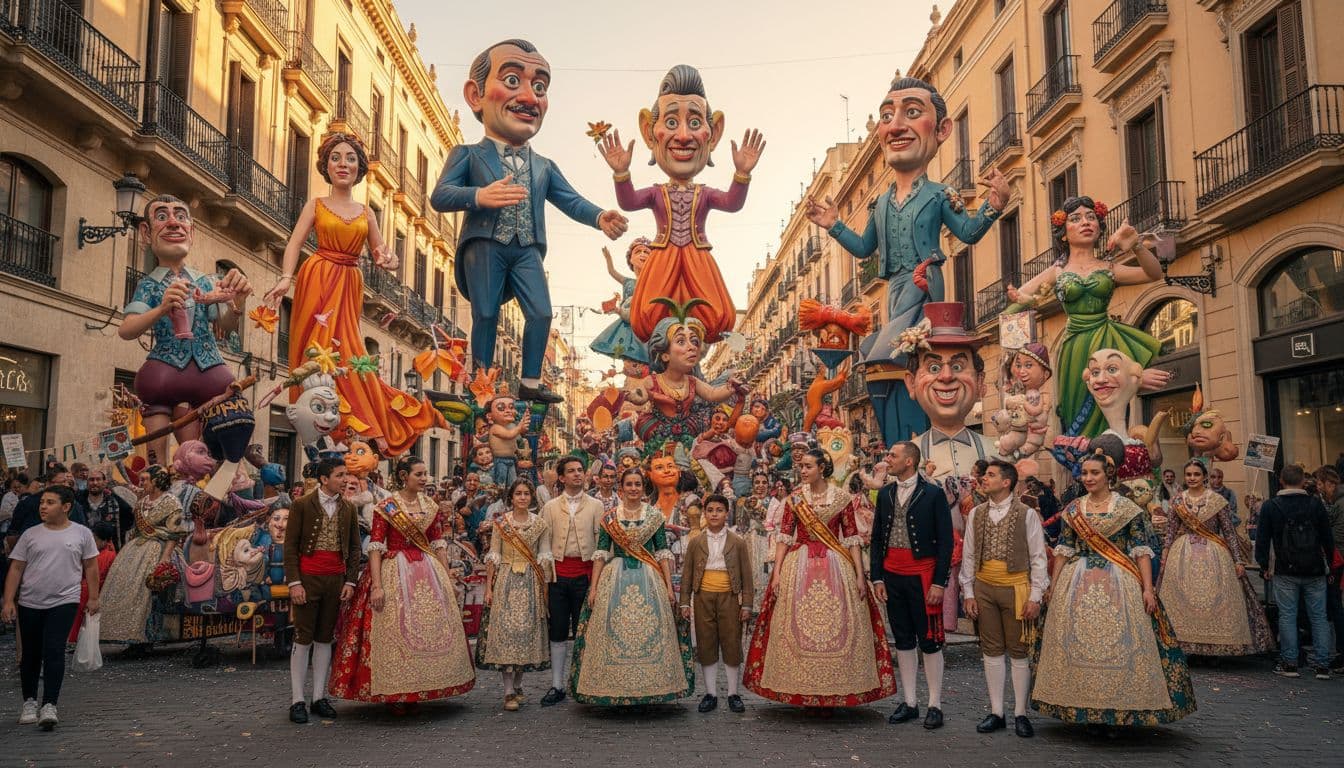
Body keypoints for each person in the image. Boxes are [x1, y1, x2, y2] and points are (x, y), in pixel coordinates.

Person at [807, 76, 1008, 446]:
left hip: (925, 281)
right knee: (889, 363)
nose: (897, 124)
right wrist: (833, 225)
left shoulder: (939, 195)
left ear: (942, 129)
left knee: (906, 357)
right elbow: (865, 246)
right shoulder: (880, 202)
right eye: (888, 115)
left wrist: (994, 208)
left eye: (912, 113)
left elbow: (967, 232)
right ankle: (899, 441)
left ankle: (920, 432)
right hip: (895, 289)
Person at [432, 38, 627, 402]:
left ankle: (531, 382)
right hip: (485, 245)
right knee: (486, 313)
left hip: (526, 249)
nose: (530, 96)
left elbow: (570, 200)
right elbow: (441, 195)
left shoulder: (544, 167)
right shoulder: (467, 154)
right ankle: (481, 381)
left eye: (539, 87)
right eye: (511, 81)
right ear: (475, 95)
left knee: (541, 312)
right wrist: (478, 196)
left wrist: (600, 216)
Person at [263, 134, 443, 456]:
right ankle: (316, 418)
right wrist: (285, 278)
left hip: (348, 282)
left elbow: (381, 253)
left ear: (359, 167)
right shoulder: (315, 206)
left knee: (348, 349)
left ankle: (354, 421)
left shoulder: (366, 214)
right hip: (317, 277)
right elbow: (293, 244)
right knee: (316, 351)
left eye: (350, 158)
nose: (342, 163)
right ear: (326, 165)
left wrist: (391, 260)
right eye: (336, 157)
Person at [599, 64, 764, 344]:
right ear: (650, 133)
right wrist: (621, 174)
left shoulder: (705, 193)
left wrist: (743, 174)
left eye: (696, 123)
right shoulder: (656, 193)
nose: (684, 136)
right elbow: (628, 201)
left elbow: (732, 203)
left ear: (713, 133)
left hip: (697, 259)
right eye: (672, 123)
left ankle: (691, 352)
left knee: (710, 314)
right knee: (651, 313)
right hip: (662, 259)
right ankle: (665, 351)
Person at [1031, 451, 1196, 728]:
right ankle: (1083, 706)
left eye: (1094, 473)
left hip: (1119, 582)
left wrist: (1147, 589)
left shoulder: (1127, 508)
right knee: (1078, 643)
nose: (1088, 478)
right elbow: (1064, 549)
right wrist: (1054, 585)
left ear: (1108, 475)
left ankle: (1119, 709)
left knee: (1121, 644)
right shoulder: (1073, 509)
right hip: (1078, 583)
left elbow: (1140, 551)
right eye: (1084, 474)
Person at [1006, 196, 1170, 442]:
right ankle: (1081, 463)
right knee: (1076, 404)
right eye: (1076, 218)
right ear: (1064, 233)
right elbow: (1015, 305)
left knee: (1111, 400)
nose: (1086, 222)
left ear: (1099, 228)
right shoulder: (1057, 272)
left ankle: (1111, 451)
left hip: (1106, 339)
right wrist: (1024, 302)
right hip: (1074, 347)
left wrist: (1136, 245)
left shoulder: (1109, 269)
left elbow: (1153, 273)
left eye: (1091, 217)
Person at [744, 449, 896, 707]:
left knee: (839, 625)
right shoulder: (794, 499)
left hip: (836, 566)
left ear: (822, 468)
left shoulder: (842, 498)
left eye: (808, 466)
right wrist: (778, 572)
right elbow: (784, 537)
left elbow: (851, 539)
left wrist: (860, 576)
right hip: (799, 565)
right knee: (797, 625)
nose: (803, 471)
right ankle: (802, 688)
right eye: (801, 467)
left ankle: (835, 690)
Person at [329, 456, 476, 711]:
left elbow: (438, 543)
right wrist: (376, 585)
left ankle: (424, 686)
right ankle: (396, 689)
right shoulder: (385, 507)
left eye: (425, 474)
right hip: (394, 569)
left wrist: (447, 575)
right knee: (395, 629)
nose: (424, 479)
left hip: (428, 571)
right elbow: (375, 546)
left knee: (428, 629)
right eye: (419, 474)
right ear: (403, 476)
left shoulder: (430, 506)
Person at [118, 195, 251, 463]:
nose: (173, 223)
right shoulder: (150, 285)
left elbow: (225, 325)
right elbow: (127, 329)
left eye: (180, 216)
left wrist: (238, 302)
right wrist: (162, 308)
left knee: (229, 420)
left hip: (209, 369)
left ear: (191, 231)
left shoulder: (207, 281)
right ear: (146, 232)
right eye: (162, 217)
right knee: (157, 459)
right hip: (165, 372)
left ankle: (223, 473)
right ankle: (156, 476)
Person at [569, 468, 694, 705]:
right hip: (615, 577)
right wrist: (594, 588)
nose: (634, 488)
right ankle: (614, 686)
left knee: (650, 630)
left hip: (649, 579)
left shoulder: (655, 517)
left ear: (643, 488)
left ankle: (650, 686)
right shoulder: (610, 518)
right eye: (629, 484)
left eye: (638, 484)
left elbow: (662, 552)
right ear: (621, 488)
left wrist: (668, 586)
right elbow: (601, 553)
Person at [959, 460, 1048, 738]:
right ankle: (997, 711)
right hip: (985, 585)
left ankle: (1020, 712)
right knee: (991, 649)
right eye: (985, 475)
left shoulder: (1027, 514)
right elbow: (969, 555)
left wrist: (1036, 595)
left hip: (1016, 586)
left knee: (1019, 651)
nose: (984, 479)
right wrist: (969, 591)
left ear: (1006, 482)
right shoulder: (976, 513)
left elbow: (1038, 557)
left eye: (990, 475)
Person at [870, 441, 954, 728]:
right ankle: (909, 702)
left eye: (892, 455)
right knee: (903, 639)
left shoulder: (933, 494)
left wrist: (940, 582)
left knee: (930, 641)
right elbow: (877, 537)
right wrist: (877, 576)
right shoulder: (885, 494)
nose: (887, 459)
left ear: (909, 461)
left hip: (924, 576)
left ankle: (935, 704)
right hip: (893, 575)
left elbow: (946, 541)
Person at [2, 485, 101, 730]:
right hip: (30, 601)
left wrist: (94, 598)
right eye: (42, 502)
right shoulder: (31, 535)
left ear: (66, 507)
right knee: (31, 654)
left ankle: (49, 705)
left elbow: (90, 566)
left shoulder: (82, 534)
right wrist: (7, 601)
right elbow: (16, 568)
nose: (43, 506)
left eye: (50, 502)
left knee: (54, 650)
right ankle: (30, 701)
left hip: (64, 600)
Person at [1157, 460, 1273, 657]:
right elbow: (1170, 531)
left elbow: (1229, 532)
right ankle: (1186, 645)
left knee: (1215, 598)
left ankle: (1216, 649)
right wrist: (1165, 556)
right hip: (1182, 554)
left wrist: (1238, 561)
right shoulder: (1177, 500)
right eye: (1188, 475)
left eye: (1196, 474)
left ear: (1203, 477)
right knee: (1184, 599)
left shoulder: (1217, 501)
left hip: (1214, 554)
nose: (1192, 478)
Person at [283, 458, 360, 724]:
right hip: (308, 577)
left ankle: (318, 696)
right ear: (324, 479)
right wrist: (294, 582)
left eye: (346, 475)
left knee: (325, 637)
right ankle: (297, 699)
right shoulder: (302, 504)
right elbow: (290, 545)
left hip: (334, 580)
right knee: (303, 637)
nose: (345, 480)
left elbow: (354, 547)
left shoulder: (348, 508)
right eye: (340, 475)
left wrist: (350, 581)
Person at [476, 479, 552, 711]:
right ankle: (507, 690)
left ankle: (518, 685)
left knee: (524, 634)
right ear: (511, 497)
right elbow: (493, 555)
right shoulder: (501, 523)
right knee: (506, 633)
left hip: (530, 582)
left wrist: (544, 582)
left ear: (531, 497)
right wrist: (489, 587)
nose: (522, 497)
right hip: (506, 581)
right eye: (518, 493)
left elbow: (545, 553)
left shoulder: (540, 524)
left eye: (526, 494)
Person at [1255, 463, 1336, 679]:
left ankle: (1290, 662)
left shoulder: (1272, 506)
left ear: (1281, 481)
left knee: (1287, 616)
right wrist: (1330, 564)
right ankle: (1322, 665)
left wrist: (1263, 565)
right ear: (1303, 481)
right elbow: (1327, 538)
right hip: (1315, 568)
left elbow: (1262, 540)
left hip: (1285, 569)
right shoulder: (1315, 504)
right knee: (1319, 616)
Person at [679, 493, 753, 713]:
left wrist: (746, 604)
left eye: (719, 510)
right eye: (710, 510)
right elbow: (687, 575)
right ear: (705, 513)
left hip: (729, 597)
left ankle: (733, 693)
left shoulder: (737, 543)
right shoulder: (695, 542)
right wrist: (685, 603)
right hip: (703, 596)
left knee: (731, 643)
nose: (714, 514)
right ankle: (710, 693)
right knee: (706, 644)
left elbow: (747, 577)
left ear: (726, 514)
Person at [539, 455, 604, 705]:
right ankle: (556, 685)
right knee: (557, 631)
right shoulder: (551, 507)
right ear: (562, 477)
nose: (578, 474)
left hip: (585, 575)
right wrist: (546, 580)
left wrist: (598, 579)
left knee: (583, 630)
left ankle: (582, 682)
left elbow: (602, 545)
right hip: (557, 575)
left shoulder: (596, 506)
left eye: (580, 470)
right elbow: (544, 544)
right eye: (572, 471)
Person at [98, 465, 185, 647]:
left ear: (156, 481)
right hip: (136, 548)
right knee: (126, 588)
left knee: (151, 593)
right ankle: (127, 635)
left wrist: (166, 557)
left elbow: (175, 532)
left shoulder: (171, 502)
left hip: (159, 550)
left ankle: (150, 636)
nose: (141, 483)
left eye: (144, 479)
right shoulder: (142, 501)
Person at [591, 239, 653, 368]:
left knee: (646, 351)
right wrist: (608, 258)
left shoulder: (653, 281)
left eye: (646, 252)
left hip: (643, 321)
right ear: (631, 259)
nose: (642, 254)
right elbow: (612, 272)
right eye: (638, 252)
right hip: (626, 323)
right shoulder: (627, 282)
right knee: (630, 352)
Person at [67, 522, 118, 644]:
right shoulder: (107, 552)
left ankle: (73, 638)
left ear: (104, 541)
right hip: (91, 585)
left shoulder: (106, 555)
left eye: (94, 540)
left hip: (93, 587)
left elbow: (96, 576)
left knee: (81, 596)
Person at [1315, 466, 1344, 670]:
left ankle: (1341, 652)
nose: (1318, 488)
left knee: (1337, 607)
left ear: (1330, 484)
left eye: (1320, 484)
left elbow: (1333, 535)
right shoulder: (1336, 503)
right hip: (1337, 559)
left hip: (1338, 561)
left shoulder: (1339, 506)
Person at [78, 470, 132, 548]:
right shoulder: (79, 502)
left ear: (104, 482)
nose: (95, 483)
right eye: (91, 479)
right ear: (87, 482)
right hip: (85, 549)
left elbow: (128, 517)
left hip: (111, 550)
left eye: (98, 479)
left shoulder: (115, 502)